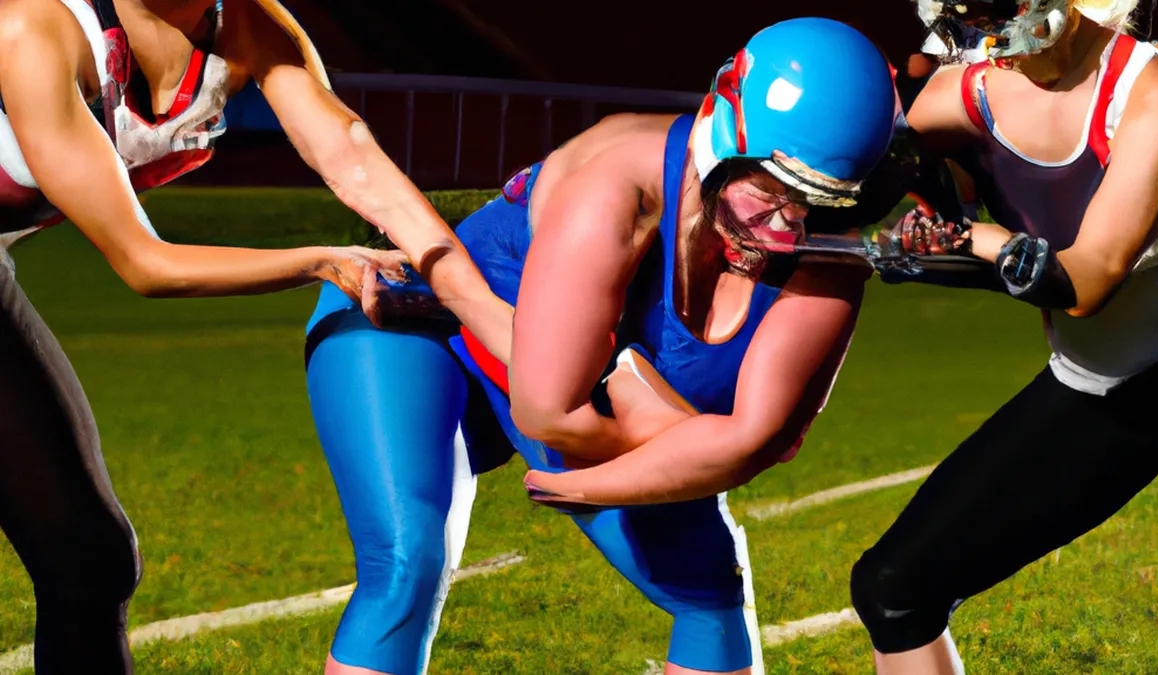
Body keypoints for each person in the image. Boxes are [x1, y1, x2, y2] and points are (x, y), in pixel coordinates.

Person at [305, 17, 898, 675]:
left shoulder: (831, 254)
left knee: (711, 591)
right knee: (406, 559)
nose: (786, 224)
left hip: (551, 363)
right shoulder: (619, 185)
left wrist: (675, 437)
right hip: (421, 321)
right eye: (771, 189)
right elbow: (551, 411)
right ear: (725, 131)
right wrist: (678, 435)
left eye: (815, 199)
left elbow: (758, 445)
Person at [0, 0, 505, 671]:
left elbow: (348, 152)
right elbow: (145, 263)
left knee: (88, 559)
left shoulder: (245, 22)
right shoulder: (36, 27)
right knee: (85, 556)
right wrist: (325, 260)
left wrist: (476, 300)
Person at [845, 1, 1158, 673]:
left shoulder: (1156, 87)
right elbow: (853, 189)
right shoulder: (964, 93)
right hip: (1104, 384)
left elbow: (1090, 279)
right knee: (894, 590)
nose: (978, 28)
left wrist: (975, 244)